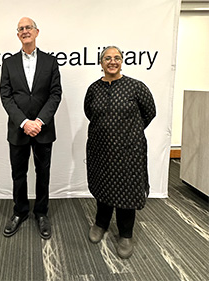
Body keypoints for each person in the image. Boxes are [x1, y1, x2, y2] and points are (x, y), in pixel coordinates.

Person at [84, 46, 156, 259]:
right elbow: (90, 112)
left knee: (127, 189)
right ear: (101, 63)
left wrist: (128, 132)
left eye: (116, 58)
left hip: (129, 151)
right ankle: (101, 223)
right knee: (104, 185)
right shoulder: (93, 89)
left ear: (122, 61)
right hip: (100, 148)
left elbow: (149, 112)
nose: (112, 61)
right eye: (107, 58)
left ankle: (126, 234)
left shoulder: (136, 87)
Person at [0, 17, 62, 239]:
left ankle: (41, 213)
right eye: (21, 29)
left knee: (43, 173)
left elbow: (55, 94)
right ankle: (20, 211)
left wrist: (39, 121)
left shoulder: (50, 62)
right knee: (19, 173)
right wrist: (25, 122)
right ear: (18, 35)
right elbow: (6, 97)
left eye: (29, 28)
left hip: (44, 129)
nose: (25, 31)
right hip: (18, 129)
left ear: (37, 32)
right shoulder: (8, 63)